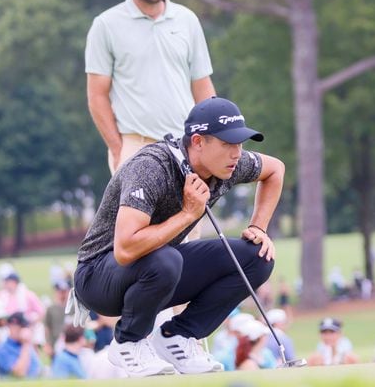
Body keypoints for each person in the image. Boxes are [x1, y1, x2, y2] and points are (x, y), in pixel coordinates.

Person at [73, 97, 283, 377]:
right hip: (98, 277)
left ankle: (178, 336)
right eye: (227, 144)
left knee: (257, 257)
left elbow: (275, 170)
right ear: (198, 141)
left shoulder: (226, 164)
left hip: (156, 268)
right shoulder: (151, 167)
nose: (236, 153)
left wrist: (258, 227)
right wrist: (187, 214)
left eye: (239, 144)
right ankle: (128, 342)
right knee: (166, 259)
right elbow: (124, 249)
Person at [85, 0, 216, 175]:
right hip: (135, 145)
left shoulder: (187, 20)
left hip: (185, 144)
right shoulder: (106, 25)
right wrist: (117, 148)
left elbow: (202, 87)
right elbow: (97, 95)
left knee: (192, 213)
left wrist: (212, 140)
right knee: (137, 213)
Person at [0, 312, 42, 379]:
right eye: (22, 327)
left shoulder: (28, 346)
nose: (25, 330)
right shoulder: (1, 349)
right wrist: (25, 344)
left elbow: (37, 370)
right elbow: (19, 374)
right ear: (10, 326)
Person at [43, 280, 72, 359]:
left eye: (64, 291)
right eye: (60, 291)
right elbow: (47, 328)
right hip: (55, 342)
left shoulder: (73, 308)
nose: (62, 294)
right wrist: (48, 344)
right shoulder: (51, 309)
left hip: (71, 342)